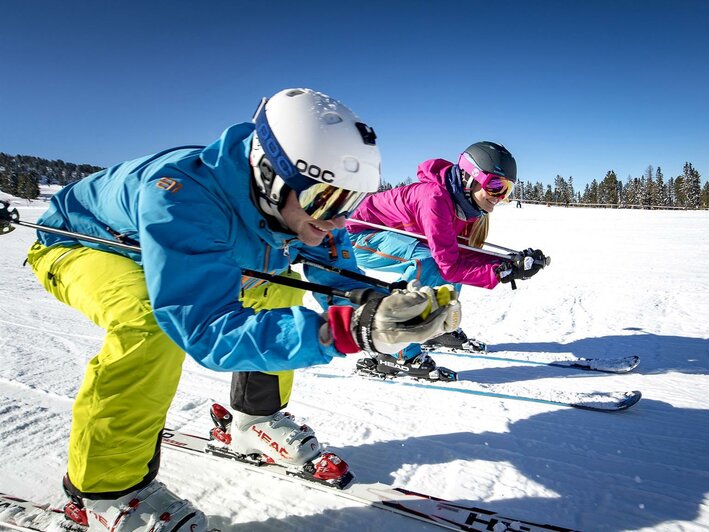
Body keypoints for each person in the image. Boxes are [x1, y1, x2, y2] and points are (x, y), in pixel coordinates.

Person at [25, 88, 461, 531]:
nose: (338, 221)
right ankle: (103, 493)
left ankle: (255, 417)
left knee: (280, 289)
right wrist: (346, 332)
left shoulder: (308, 207)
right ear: (270, 174)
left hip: (189, 246)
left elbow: (340, 281)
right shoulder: (180, 194)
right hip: (81, 245)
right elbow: (204, 328)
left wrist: (381, 309)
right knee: (148, 322)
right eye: (327, 201)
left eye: (347, 202)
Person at [346, 141, 546, 381]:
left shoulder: (466, 205)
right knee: (429, 262)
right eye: (495, 185)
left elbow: (457, 255)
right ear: (470, 177)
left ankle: (436, 326)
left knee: (443, 262)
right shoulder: (435, 197)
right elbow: (448, 265)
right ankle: (397, 350)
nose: (500, 197)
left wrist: (508, 263)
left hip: (387, 237)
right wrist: (500, 273)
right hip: (356, 236)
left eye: (507, 190)